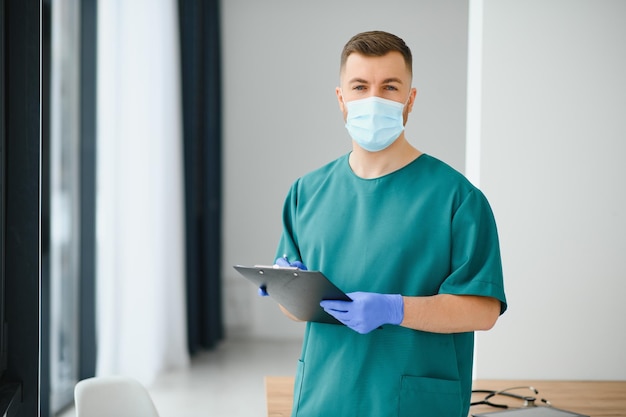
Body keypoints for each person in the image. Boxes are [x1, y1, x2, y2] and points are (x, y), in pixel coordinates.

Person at [269, 30, 507, 417]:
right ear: (341, 98)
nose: (373, 99)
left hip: (412, 403)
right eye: (360, 86)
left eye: (390, 87)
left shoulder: (457, 199)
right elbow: (295, 311)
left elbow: (483, 311)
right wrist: (285, 289)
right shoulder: (306, 193)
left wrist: (395, 310)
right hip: (324, 397)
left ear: (410, 100)